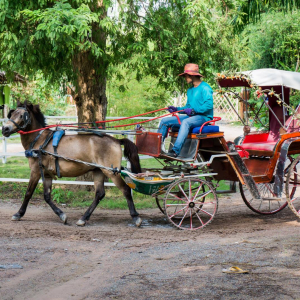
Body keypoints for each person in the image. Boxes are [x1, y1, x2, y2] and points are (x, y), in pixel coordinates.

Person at [158, 63, 213, 158]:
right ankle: (157, 148)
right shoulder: (190, 90)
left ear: (192, 75)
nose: (185, 78)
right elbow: (187, 107)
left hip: (203, 118)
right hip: (192, 116)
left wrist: (193, 111)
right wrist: (177, 109)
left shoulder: (205, 88)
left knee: (186, 122)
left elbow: (208, 106)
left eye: (185, 76)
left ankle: (175, 151)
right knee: (164, 121)